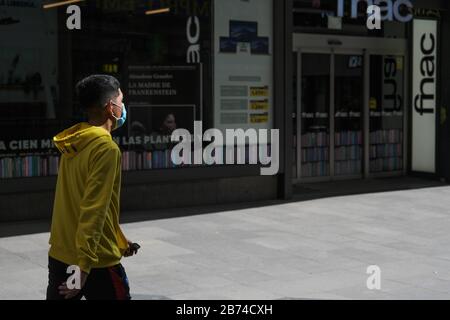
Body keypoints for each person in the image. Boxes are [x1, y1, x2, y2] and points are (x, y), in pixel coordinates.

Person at [46, 75, 138, 300]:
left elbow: (89, 204)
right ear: (110, 107)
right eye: (121, 101)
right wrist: (83, 267)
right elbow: (93, 210)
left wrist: (120, 241)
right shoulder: (105, 149)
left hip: (61, 253)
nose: (123, 107)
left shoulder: (76, 142)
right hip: (94, 262)